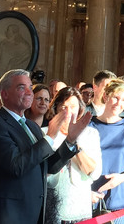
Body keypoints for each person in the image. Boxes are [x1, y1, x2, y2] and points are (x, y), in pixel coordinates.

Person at [0, 69, 91, 224]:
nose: (29, 92)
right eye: (21, 88)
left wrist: (70, 141)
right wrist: (50, 137)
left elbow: (48, 167)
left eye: (30, 87)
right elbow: (16, 166)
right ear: (4, 94)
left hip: (34, 213)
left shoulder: (31, 127)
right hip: (9, 215)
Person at [45, 87, 102, 224]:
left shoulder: (90, 134)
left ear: (80, 109)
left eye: (73, 106)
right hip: (52, 202)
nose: (68, 111)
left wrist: (74, 143)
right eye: (63, 106)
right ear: (56, 108)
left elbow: (94, 173)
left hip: (79, 204)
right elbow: (44, 172)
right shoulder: (45, 133)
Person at [91, 79, 124, 224]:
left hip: (119, 199)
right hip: (91, 196)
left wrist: (123, 177)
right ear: (106, 96)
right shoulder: (90, 126)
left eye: (123, 100)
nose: (118, 103)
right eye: (115, 97)